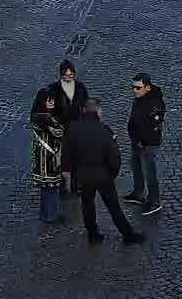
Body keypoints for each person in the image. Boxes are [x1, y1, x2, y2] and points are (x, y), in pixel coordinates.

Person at [63, 98, 146, 245]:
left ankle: (92, 233)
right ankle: (128, 234)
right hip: (103, 176)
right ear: (98, 111)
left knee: (87, 205)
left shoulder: (73, 128)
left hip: (83, 175)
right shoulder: (104, 130)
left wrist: (69, 172)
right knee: (113, 206)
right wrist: (112, 174)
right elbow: (114, 157)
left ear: (84, 110)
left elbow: (67, 153)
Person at [125, 73, 165, 214]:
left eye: (138, 88)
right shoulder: (140, 98)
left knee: (150, 172)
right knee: (136, 167)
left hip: (148, 143)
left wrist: (143, 141)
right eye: (133, 87)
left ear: (147, 87)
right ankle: (138, 193)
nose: (134, 91)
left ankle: (154, 200)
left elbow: (154, 127)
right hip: (137, 141)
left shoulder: (155, 104)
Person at [31, 88, 69, 224]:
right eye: (49, 100)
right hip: (48, 160)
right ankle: (51, 215)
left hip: (40, 158)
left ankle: (44, 214)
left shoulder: (36, 116)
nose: (52, 102)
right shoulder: (46, 119)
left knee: (45, 189)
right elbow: (59, 132)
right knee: (51, 188)